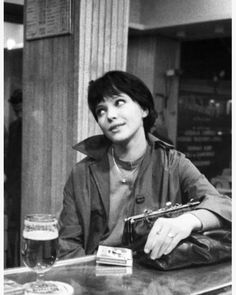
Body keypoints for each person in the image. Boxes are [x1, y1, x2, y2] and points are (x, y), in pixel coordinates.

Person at [58, 71, 231, 260]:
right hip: (96, 276)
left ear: (144, 109)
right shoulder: (82, 173)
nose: (110, 115)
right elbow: (68, 245)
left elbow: (224, 206)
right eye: (101, 110)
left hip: (157, 274)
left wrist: (189, 220)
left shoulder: (173, 163)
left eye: (119, 102)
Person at [5, 89, 23, 267]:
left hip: (23, 185)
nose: (19, 114)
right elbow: (9, 159)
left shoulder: (30, 126)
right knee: (12, 228)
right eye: (16, 111)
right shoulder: (14, 127)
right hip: (14, 185)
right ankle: (12, 264)